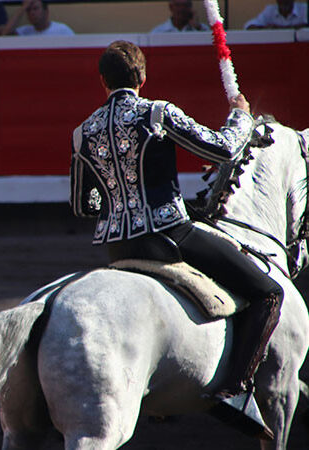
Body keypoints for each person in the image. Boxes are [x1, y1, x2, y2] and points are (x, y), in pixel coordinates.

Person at [70, 40, 282, 439]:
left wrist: (116, 196)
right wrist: (240, 116)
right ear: (143, 78)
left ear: (102, 81)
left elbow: (84, 204)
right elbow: (222, 151)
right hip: (168, 236)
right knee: (268, 293)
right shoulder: (156, 114)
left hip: (115, 249)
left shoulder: (84, 133)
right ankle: (235, 389)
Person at [1, 0, 74, 36]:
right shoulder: (24, 31)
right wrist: (23, 8)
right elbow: (5, 33)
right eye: (28, 10)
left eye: (35, 9)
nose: (32, 13)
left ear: (46, 11)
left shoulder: (62, 30)